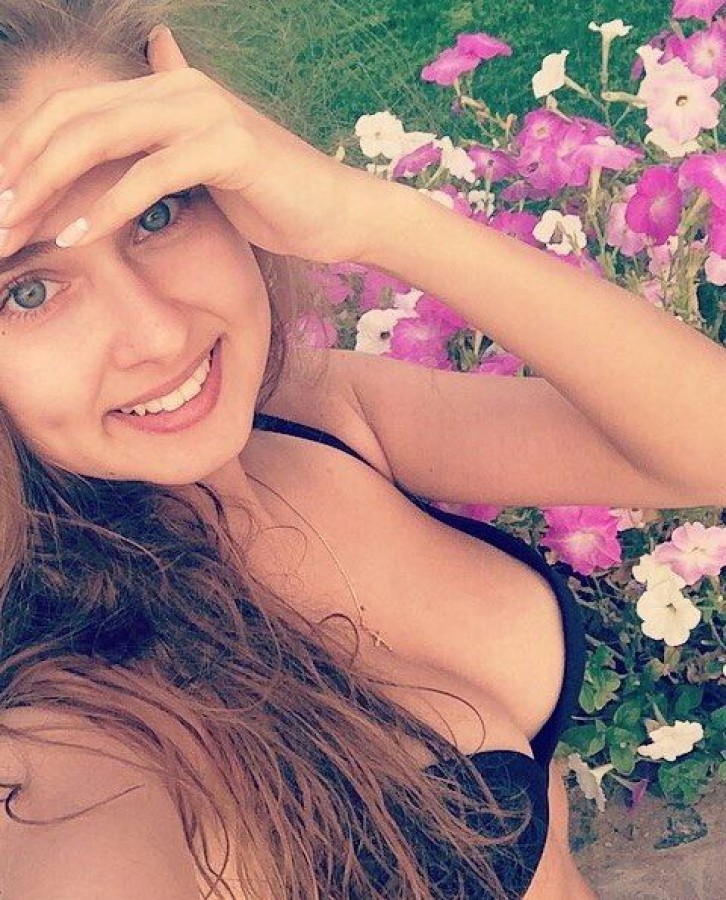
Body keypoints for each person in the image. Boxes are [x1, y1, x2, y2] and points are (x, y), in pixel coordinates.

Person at [0, 1, 719, 898]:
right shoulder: (61, 733)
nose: (158, 334)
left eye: (159, 211)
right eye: (27, 292)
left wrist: (368, 215)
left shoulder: (318, 413)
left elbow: (705, 447)